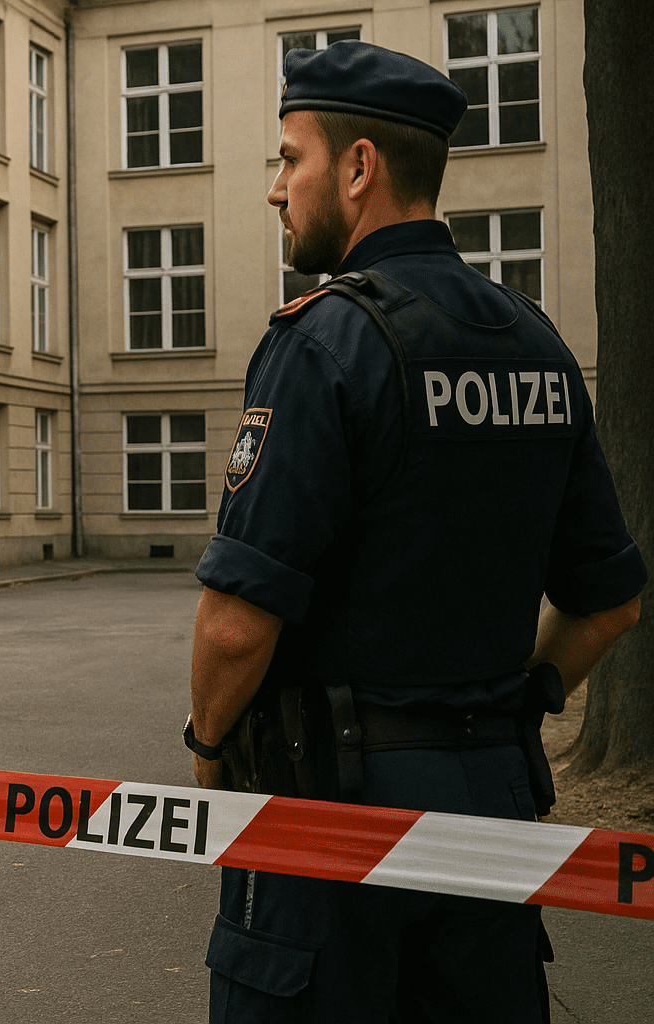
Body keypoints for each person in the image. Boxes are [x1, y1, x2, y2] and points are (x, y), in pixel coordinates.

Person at [187, 42, 646, 1023]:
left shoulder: (323, 343)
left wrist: (210, 747)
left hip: (332, 819)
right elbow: (610, 600)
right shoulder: (535, 345)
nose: (276, 190)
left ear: (357, 169)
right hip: (495, 814)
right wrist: (524, 698)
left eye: (289, 159)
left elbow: (235, 624)